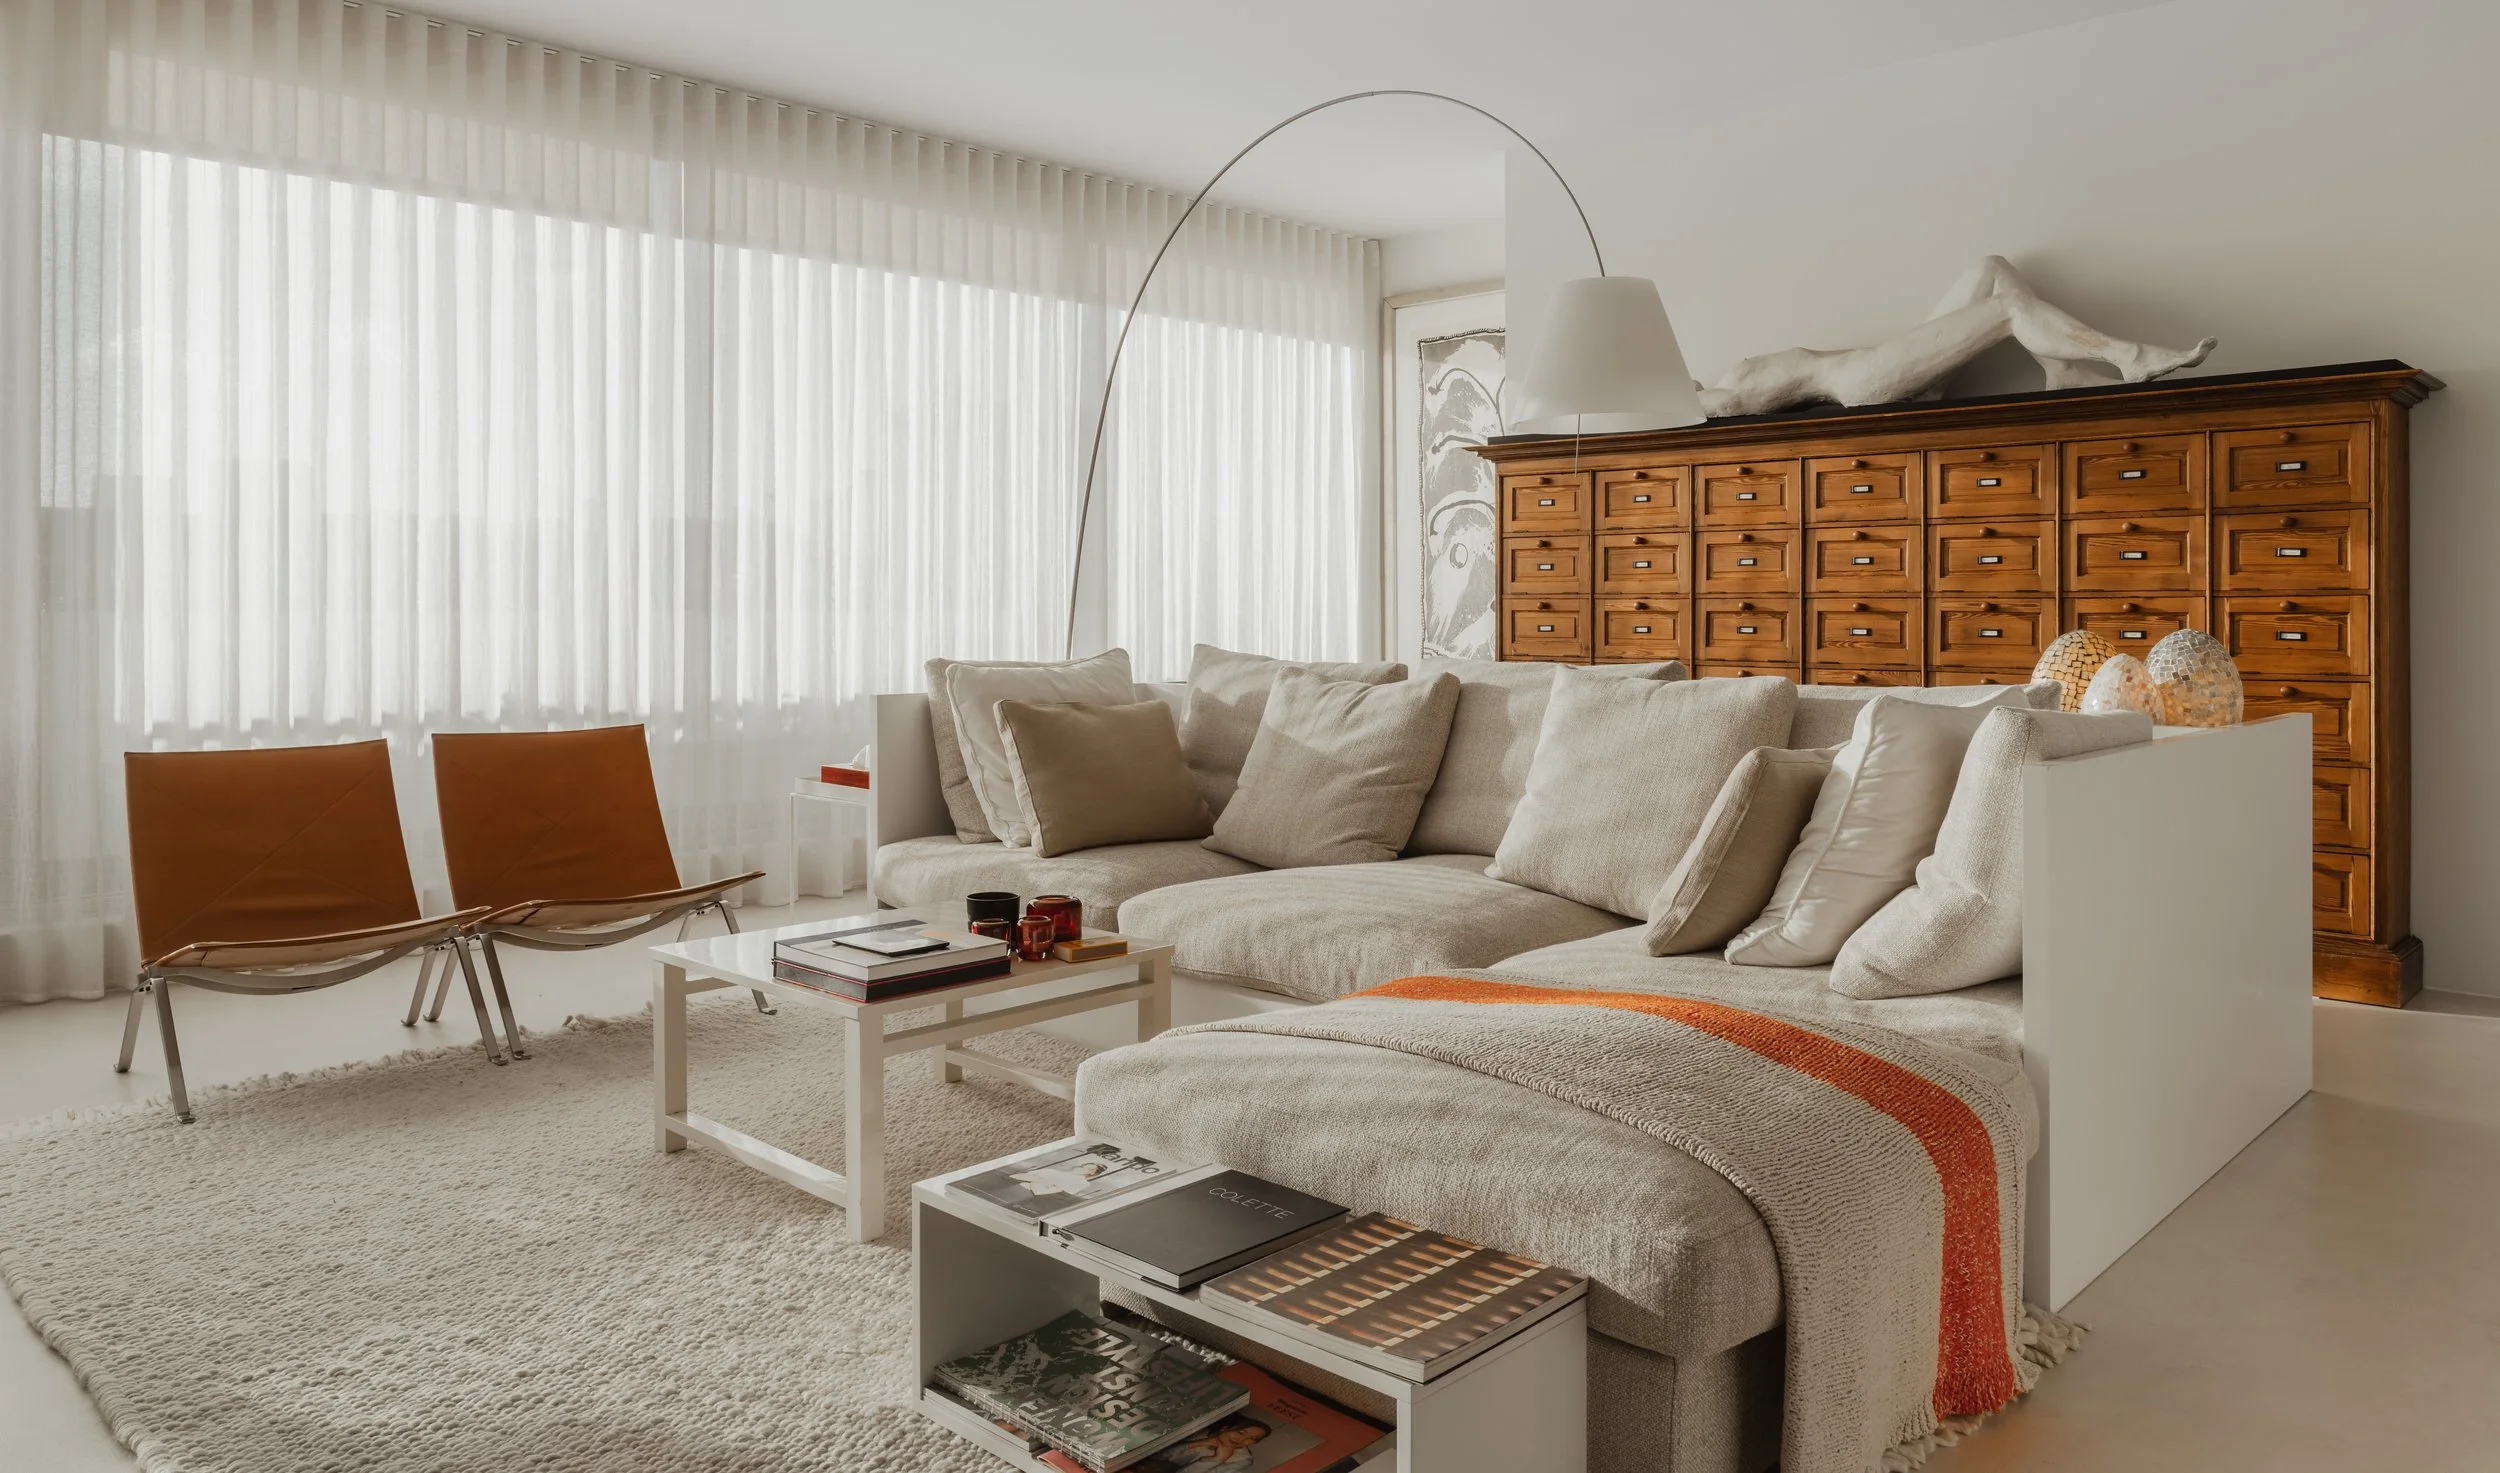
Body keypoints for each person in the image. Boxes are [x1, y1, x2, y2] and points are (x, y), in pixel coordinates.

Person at [1696, 255, 2215, 418]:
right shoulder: (1721, 395)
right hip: (1864, 380)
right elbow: (1695, 409)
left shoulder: (1725, 375)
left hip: (1878, 360)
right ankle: (2130, 357)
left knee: (1991, 268)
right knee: (2009, 308)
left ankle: (2060, 370)